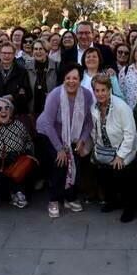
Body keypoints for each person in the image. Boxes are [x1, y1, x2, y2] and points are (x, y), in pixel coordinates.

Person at [36, 64, 95, 218]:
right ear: (63, 79)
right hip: (48, 133)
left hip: (72, 135)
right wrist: (60, 148)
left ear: (80, 80)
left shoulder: (87, 95)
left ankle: (70, 197)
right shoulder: (55, 94)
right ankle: (54, 200)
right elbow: (48, 123)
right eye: (68, 78)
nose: (71, 81)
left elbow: (89, 122)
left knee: (75, 160)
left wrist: (82, 140)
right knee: (60, 162)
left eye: (75, 78)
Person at [89, 74, 137, 215]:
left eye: (103, 90)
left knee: (121, 173)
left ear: (110, 89)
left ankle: (130, 207)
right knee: (105, 175)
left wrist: (121, 156)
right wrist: (95, 148)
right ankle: (113, 201)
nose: (100, 94)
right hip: (105, 149)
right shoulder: (94, 108)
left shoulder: (121, 107)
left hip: (124, 148)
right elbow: (95, 131)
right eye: (97, 90)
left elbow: (130, 134)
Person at [0, 42, 32, 115]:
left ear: (14, 55)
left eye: (9, 53)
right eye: (4, 53)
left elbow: (27, 93)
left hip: (16, 113)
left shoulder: (22, 71)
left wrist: (13, 97)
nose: (6, 56)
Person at [25, 39, 58, 115]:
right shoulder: (27, 67)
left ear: (47, 52)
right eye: (35, 49)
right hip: (33, 111)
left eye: (41, 49)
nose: (38, 51)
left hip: (51, 111)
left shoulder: (56, 66)